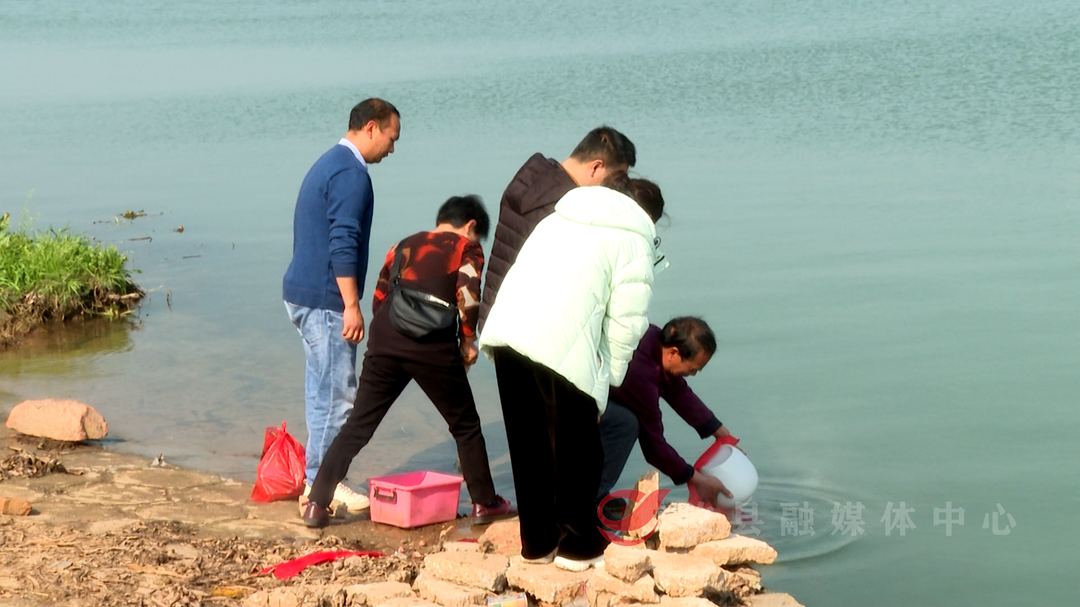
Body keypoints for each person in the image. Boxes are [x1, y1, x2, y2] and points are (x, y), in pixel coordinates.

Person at [479, 172, 664, 571]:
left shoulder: (560, 214)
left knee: (529, 444)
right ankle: (578, 548)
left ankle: (538, 545)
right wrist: (608, 381)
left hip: (509, 329)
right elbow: (626, 323)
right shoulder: (634, 238)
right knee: (579, 448)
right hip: (561, 340)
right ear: (649, 217)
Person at [302, 195, 517, 528]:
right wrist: (469, 341)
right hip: (432, 345)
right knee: (465, 426)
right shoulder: (466, 248)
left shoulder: (401, 245)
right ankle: (485, 503)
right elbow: (468, 296)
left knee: (358, 426)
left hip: (386, 338)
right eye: (476, 235)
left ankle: (316, 503)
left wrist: (390, 339)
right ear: (471, 225)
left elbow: (379, 296)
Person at [283, 98, 401, 513]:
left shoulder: (329, 162)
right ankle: (323, 483)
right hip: (327, 301)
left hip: (303, 294)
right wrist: (352, 304)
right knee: (338, 396)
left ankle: (316, 476)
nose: (391, 148)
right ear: (370, 128)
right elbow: (343, 241)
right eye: (390, 138)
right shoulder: (352, 174)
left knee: (321, 392)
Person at [478, 126, 637, 334]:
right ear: (596, 167)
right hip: (530, 328)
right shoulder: (568, 208)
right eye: (616, 178)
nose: (613, 187)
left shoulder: (530, 178)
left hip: (495, 314)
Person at [597, 317, 736, 514]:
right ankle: (589, 498)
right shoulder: (641, 376)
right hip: (571, 402)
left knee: (623, 418)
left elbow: (678, 391)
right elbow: (654, 447)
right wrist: (696, 479)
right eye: (693, 368)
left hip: (593, 393)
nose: (694, 374)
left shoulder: (652, 337)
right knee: (625, 424)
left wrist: (719, 432)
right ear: (674, 353)